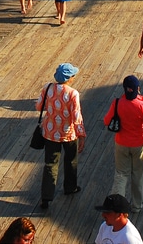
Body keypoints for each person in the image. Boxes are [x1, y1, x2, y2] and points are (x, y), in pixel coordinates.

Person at [102, 76, 143, 215]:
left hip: (121, 143)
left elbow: (106, 121)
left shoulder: (117, 103)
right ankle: (136, 206)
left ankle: (117, 207)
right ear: (138, 89)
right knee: (138, 175)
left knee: (121, 175)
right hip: (139, 145)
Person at [36, 62, 86, 209]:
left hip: (50, 132)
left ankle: (46, 197)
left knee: (50, 164)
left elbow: (39, 106)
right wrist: (81, 135)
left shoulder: (48, 88)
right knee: (71, 161)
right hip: (68, 133)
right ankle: (70, 187)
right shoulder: (73, 94)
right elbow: (76, 117)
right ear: (69, 78)